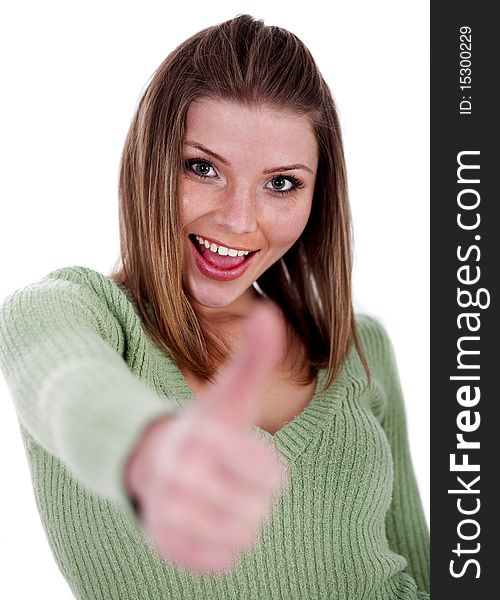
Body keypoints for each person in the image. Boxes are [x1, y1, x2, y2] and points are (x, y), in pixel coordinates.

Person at [0, 13, 430, 600]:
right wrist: (146, 446)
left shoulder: (356, 343)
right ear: (151, 164)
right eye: (203, 168)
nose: (238, 219)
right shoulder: (73, 312)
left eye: (281, 183)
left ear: (316, 194)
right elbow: (65, 385)